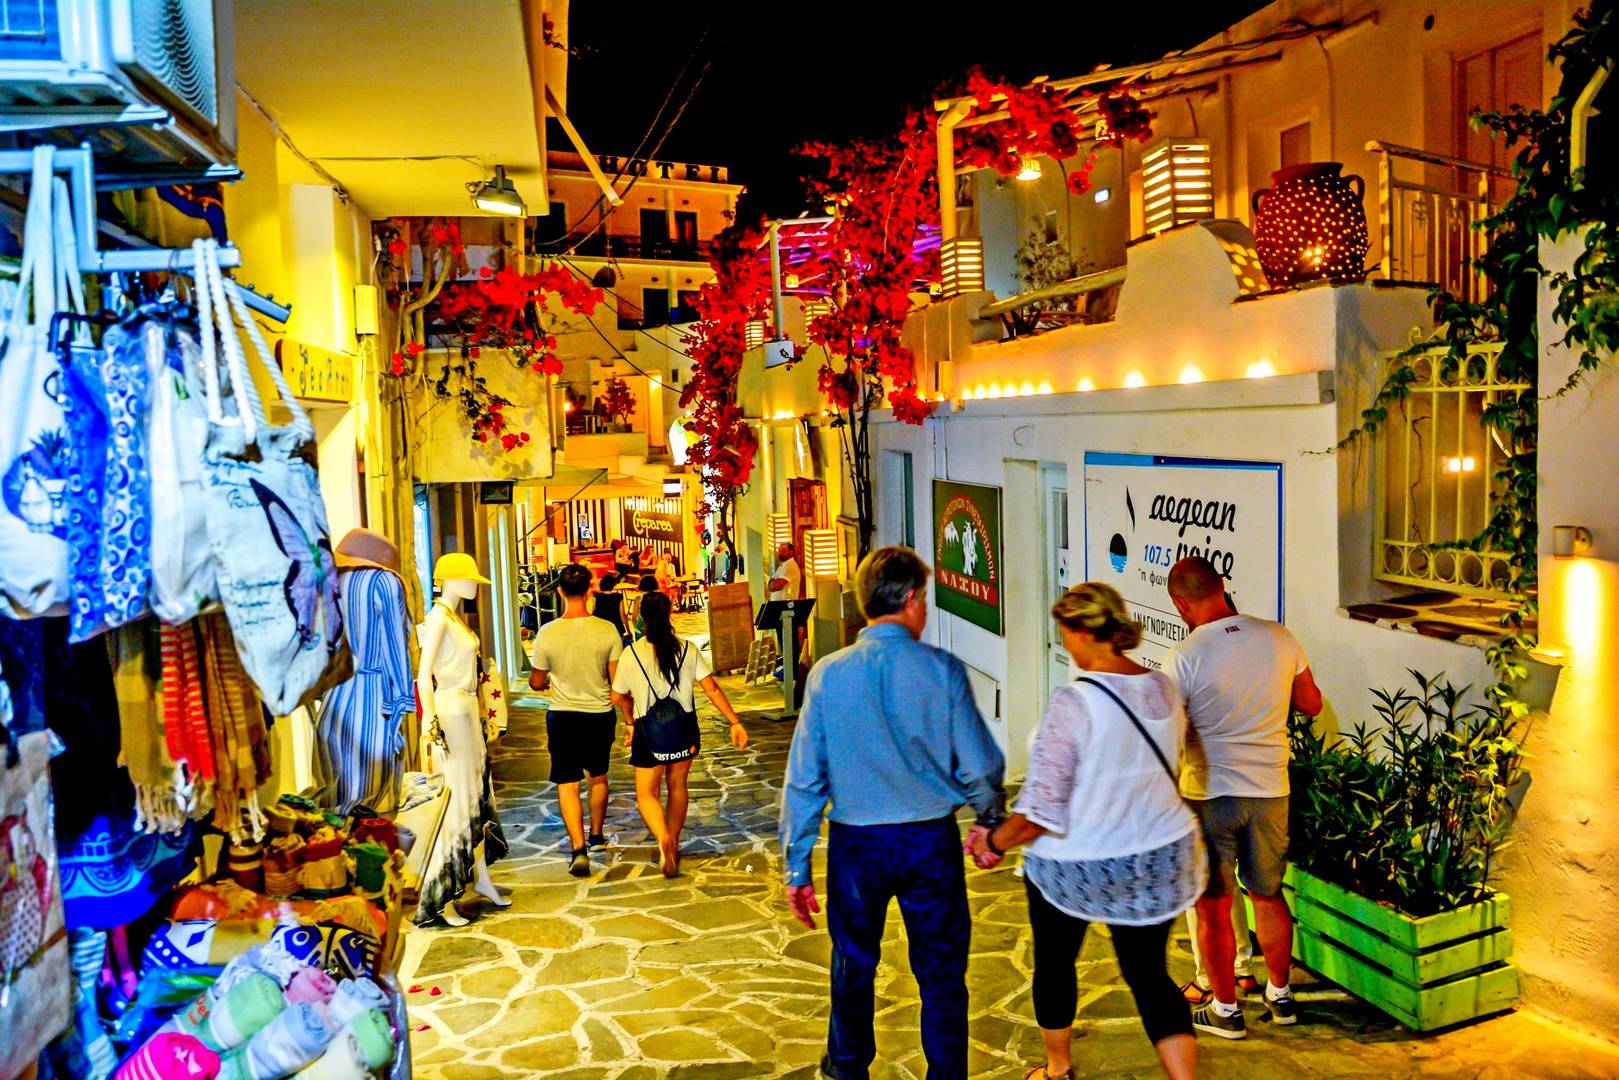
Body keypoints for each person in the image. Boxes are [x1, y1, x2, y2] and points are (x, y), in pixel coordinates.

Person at [781, 546, 1005, 1080]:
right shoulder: (942, 670)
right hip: (930, 842)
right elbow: (980, 765)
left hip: (857, 847)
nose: (924, 610)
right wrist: (989, 819)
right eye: (923, 599)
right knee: (941, 971)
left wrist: (797, 863)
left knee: (853, 964)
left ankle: (848, 1068)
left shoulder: (827, 675)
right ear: (909, 599)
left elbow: (805, 777)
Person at [968, 582, 1202, 1080]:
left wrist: (993, 841)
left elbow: (1041, 811)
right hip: (1156, 855)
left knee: (1056, 965)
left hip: (1076, 864)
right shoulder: (1163, 688)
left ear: (1081, 632)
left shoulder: (1074, 702)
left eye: (1065, 632)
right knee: (1149, 975)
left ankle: (1058, 1069)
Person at [1162, 556, 1323, 1039]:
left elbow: (1169, 734)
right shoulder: (1279, 636)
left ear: (1180, 603)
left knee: (1213, 905)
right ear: (1222, 587)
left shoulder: (1184, 656)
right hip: (1271, 788)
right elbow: (1311, 703)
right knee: (1268, 895)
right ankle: (1281, 994)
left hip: (1210, 794)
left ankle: (1226, 1011)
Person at [611, 592, 748, 877]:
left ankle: (663, 838)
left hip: (648, 732)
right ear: (670, 612)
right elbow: (712, 689)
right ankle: (673, 839)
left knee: (646, 794)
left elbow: (617, 696)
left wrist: (630, 717)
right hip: (684, 728)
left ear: (641, 617)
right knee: (677, 786)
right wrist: (734, 721)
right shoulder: (688, 649)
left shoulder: (631, 654)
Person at [528, 563, 624, 877]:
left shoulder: (547, 632)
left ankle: (578, 849)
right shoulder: (607, 630)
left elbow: (536, 680)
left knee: (567, 784)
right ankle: (596, 836)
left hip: (563, 715)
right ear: (589, 591)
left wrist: (545, 681)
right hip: (599, 714)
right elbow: (617, 681)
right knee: (598, 777)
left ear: (559, 592)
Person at [593, 571, 629, 643]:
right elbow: (623, 616)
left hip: (600, 627)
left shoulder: (596, 597)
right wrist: (628, 630)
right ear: (613, 585)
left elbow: (592, 612)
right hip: (616, 627)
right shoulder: (618, 597)